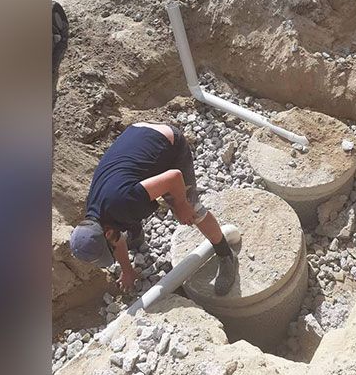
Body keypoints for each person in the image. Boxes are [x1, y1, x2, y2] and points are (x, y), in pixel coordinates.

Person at [70, 122, 238, 295]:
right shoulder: (95, 216)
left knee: (192, 208)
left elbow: (174, 177)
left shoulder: (124, 201)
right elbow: (116, 236)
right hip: (138, 134)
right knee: (125, 213)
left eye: (109, 247)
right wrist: (128, 271)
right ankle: (136, 237)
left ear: (107, 234)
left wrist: (181, 205)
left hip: (168, 143)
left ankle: (226, 255)